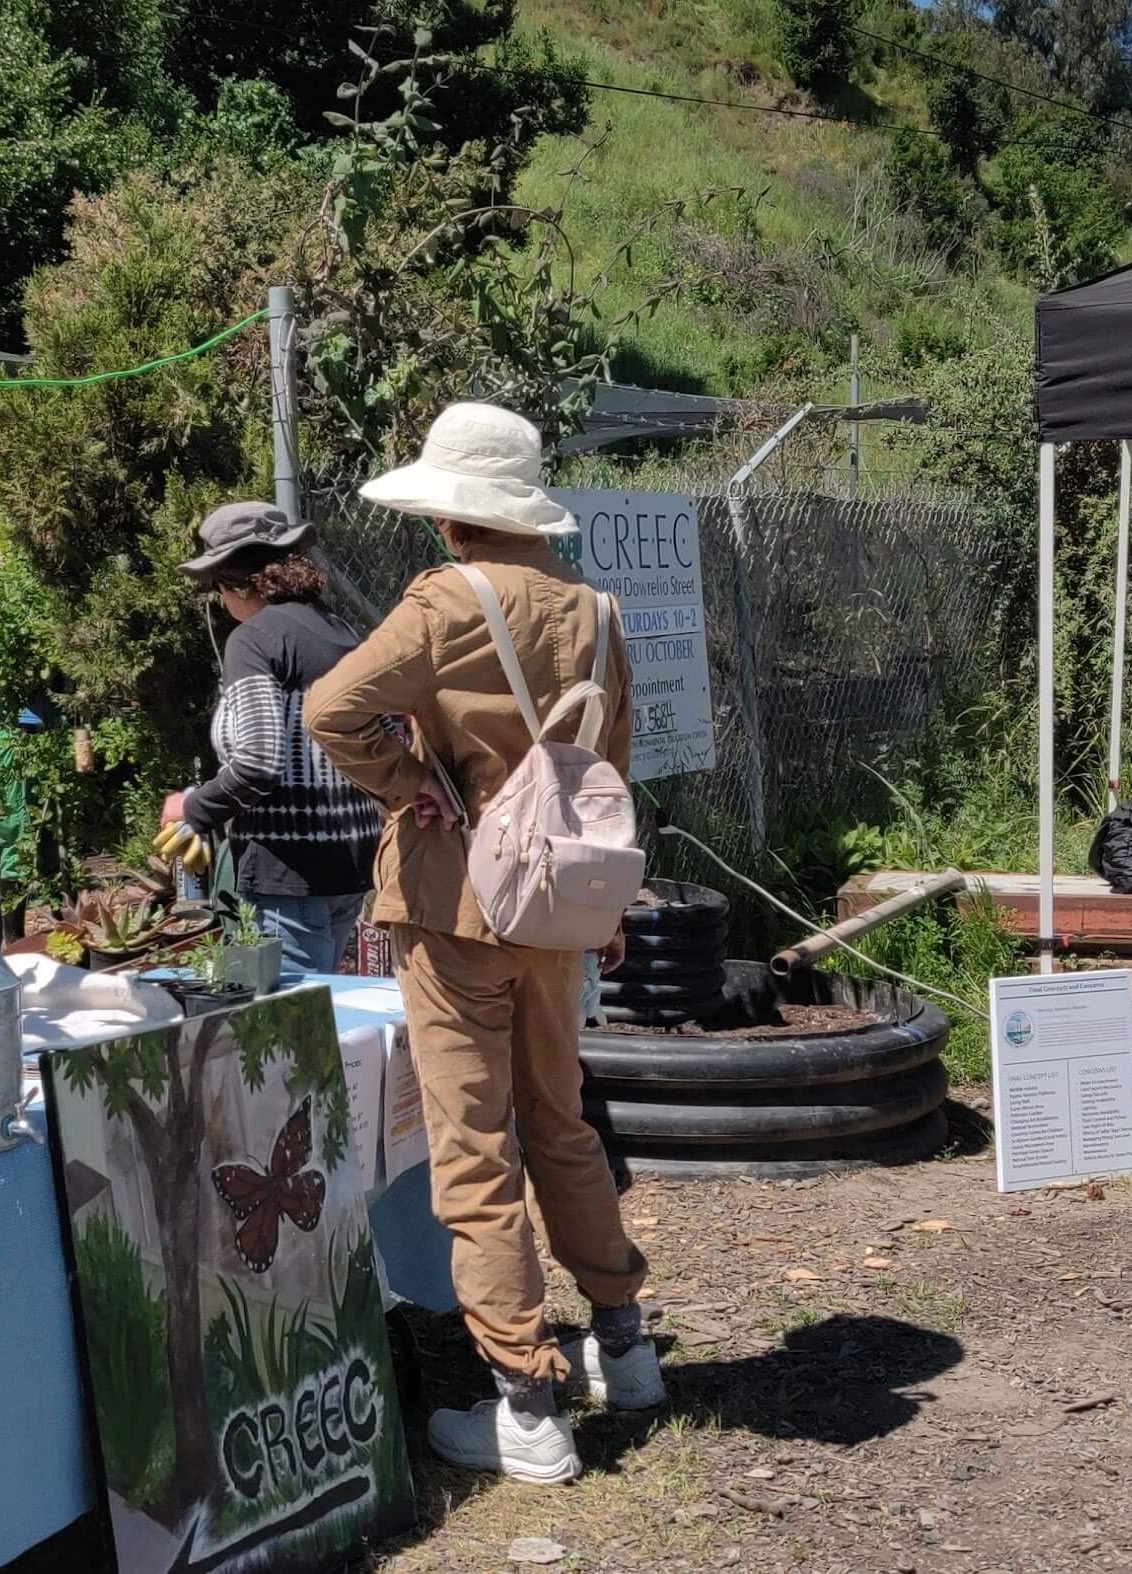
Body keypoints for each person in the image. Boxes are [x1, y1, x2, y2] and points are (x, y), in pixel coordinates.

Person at [304, 402, 656, 1484]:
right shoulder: (595, 609)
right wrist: (605, 905)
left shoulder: (443, 602)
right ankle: (625, 1345)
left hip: (454, 909)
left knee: (474, 1146)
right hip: (556, 907)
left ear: (451, 518)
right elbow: (609, 774)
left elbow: (329, 709)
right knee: (561, 1125)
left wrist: (408, 780)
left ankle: (526, 1403)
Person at [161, 501, 387, 976]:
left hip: (290, 871)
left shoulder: (255, 640)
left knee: (296, 1027)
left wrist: (194, 809)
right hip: (353, 860)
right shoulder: (339, 631)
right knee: (332, 1013)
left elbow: (259, 761)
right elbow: (384, 735)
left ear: (232, 582)